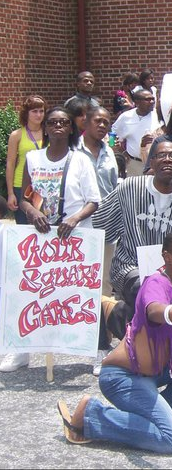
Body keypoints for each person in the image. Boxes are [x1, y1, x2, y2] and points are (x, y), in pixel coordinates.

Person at [56, 232, 172, 452]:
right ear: (167, 257)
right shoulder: (155, 283)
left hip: (153, 370)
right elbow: (155, 311)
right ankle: (92, 415)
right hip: (122, 378)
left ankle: (171, 408)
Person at [0, 107, 101, 373]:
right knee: (32, 291)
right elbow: (23, 196)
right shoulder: (33, 158)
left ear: (70, 129)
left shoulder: (81, 160)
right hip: (42, 236)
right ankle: (20, 352)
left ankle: (94, 352)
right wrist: (32, 212)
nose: (58, 126)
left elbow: (94, 201)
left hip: (74, 237)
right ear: (45, 128)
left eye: (63, 122)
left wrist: (74, 219)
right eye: (52, 122)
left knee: (81, 295)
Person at [92, 141, 172, 340]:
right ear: (151, 162)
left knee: (162, 298)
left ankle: (122, 321)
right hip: (129, 266)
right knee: (146, 288)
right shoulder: (129, 187)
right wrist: (73, 227)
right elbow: (101, 223)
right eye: (161, 155)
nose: (167, 160)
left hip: (171, 271)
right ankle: (148, 344)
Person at [77, 106, 119, 374]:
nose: (103, 125)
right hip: (79, 229)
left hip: (107, 229)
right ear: (85, 122)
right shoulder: (74, 152)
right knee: (81, 287)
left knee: (103, 288)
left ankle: (102, 346)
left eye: (106, 121)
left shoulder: (109, 151)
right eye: (98, 121)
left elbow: (113, 189)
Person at [6, 95, 46, 224]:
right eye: (34, 111)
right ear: (26, 113)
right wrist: (11, 193)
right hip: (21, 185)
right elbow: (11, 164)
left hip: (45, 183)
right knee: (23, 225)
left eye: (41, 111)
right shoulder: (17, 135)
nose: (38, 115)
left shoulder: (49, 133)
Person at [111, 89, 163, 176]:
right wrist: (121, 152)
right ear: (137, 102)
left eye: (153, 99)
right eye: (147, 99)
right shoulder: (126, 117)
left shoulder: (158, 116)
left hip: (155, 165)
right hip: (134, 164)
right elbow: (112, 134)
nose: (152, 102)